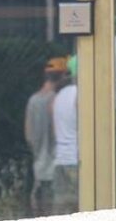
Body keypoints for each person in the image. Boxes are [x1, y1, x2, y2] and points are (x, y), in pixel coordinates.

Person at [24, 57, 66, 214]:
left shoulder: (32, 101)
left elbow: (28, 134)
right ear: (61, 77)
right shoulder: (57, 100)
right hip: (56, 167)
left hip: (38, 168)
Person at [51, 57, 78, 212]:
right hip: (76, 160)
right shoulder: (84, 95)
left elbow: (56, 131)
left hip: (60, 160)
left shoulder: (59, 96)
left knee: (61, 209)